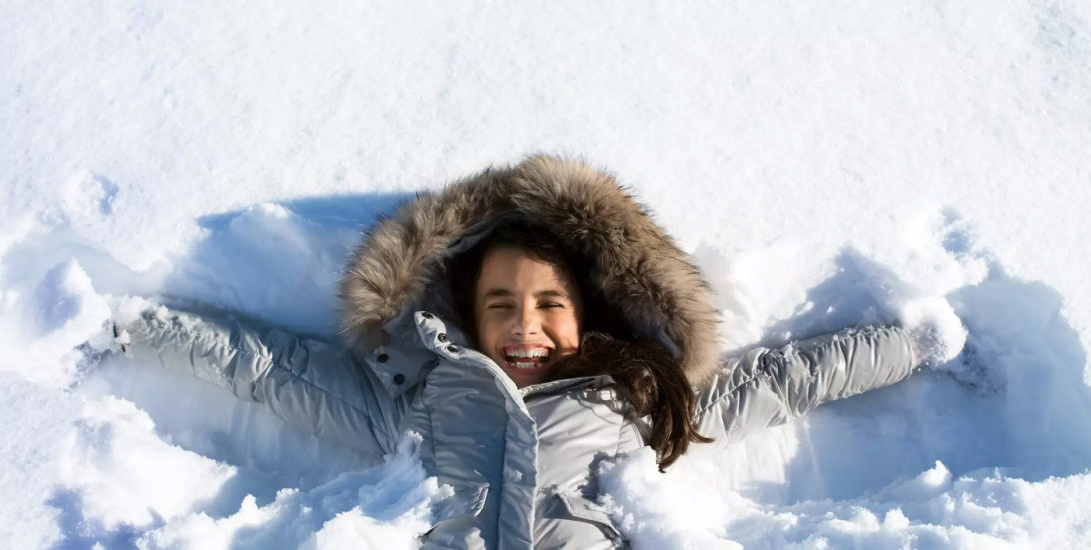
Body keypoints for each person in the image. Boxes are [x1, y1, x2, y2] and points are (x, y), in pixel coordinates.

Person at [112, 155, 939, 549]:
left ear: (589, 316)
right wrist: (136, 326)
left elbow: (783, 382)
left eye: (550, 304)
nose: (526, 325)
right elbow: (268, 369)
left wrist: (911, 345)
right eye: (500, 305)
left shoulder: (635, 402)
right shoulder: (416, 397)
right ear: (467, 320)